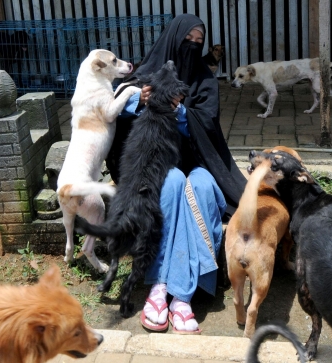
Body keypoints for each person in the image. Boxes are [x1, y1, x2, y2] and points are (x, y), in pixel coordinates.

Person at [106, 14, 247, 334]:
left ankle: (178, 294)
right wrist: (139, 102)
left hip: (200, 162)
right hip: (156, 163)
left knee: (197, 189)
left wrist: (180, 111)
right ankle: (163, 288)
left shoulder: (204, 79)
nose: (193, 46)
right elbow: (113, 105)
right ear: (173, 38)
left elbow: (208, 123)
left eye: (199, 42)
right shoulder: (144, 73)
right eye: (188, 40)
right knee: (170, 186)